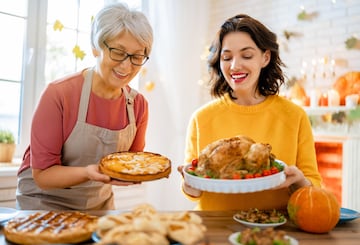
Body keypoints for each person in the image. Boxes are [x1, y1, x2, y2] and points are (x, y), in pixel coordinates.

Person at [16, 3, 153, 210]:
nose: (126, 66)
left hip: (99, 205)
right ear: (96, 47)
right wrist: (89, 172)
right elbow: (43, 175)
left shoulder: (138, 106)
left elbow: (130, 165)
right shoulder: (59, 94)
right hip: (43, 203)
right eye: (118, 52)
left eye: (137, 56)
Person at [179, 14, 322, 211]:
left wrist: (298, 182)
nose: (235, 66)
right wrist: (189, 183)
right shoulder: (201, 118)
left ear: (265, 57)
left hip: (275, 227)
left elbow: (313, 185)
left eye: (246, 55)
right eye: (227, 57)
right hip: (214, 228)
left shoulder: (294, 116)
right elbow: (193, 193)